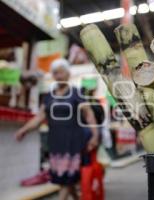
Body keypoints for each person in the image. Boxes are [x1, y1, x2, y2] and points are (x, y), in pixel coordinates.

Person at [15, 58, 99, 200]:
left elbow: (89, 114)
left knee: (67, 179)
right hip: (56, 142)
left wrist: (95, 136)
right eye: (55, 73)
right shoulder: (49, 96)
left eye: (61, 72)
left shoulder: (76, 93)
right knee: (64, 178)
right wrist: (24, 129)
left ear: (67, 73)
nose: (58, 76)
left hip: (73, 141)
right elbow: (39, 117)